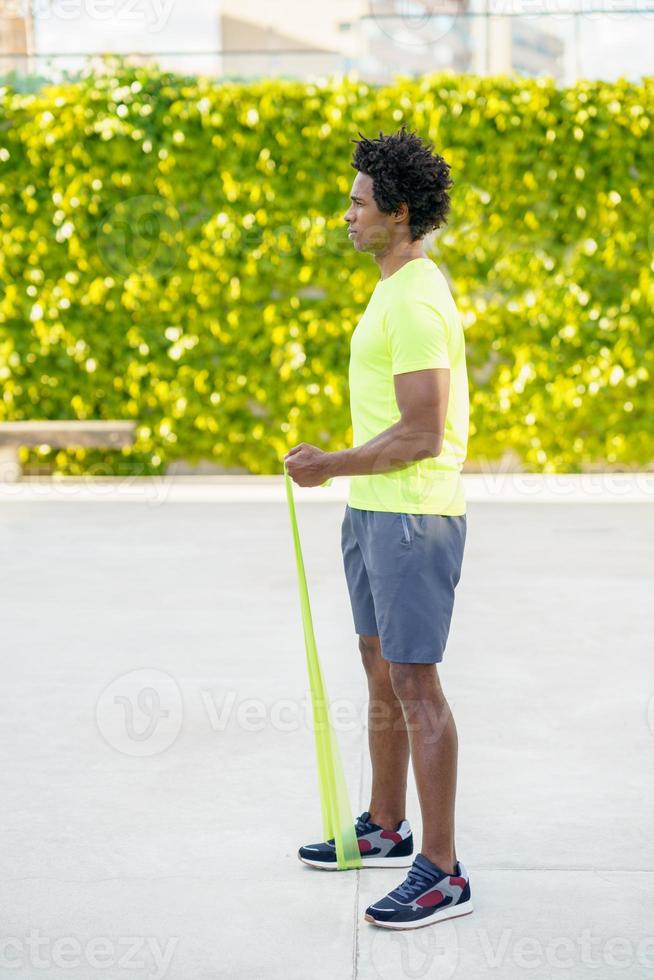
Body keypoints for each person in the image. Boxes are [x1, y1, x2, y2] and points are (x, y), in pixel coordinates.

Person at [284, 127, 472, 930]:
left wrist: (331, 464)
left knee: (417, 686)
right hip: (374, 513)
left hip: (412, 518)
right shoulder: (391, 286)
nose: (346, 215)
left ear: (397, 213)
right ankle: (387, 828)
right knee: (378, 668)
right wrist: (347, 481)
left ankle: (441, 871)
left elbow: (423, 431)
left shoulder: (420, 297)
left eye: (358, 203)